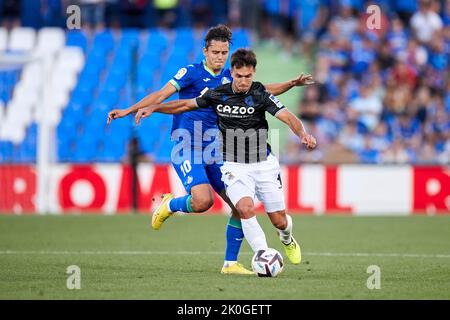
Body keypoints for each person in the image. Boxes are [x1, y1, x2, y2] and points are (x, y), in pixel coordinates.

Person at [107, 25, 314, 274]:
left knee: (239, 205)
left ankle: (230, 264)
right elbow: (164, 95)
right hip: (187, 145)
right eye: (215, 51)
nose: (219, 56)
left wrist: (291, 83)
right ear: (205, 51)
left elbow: (264, 90)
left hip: (217, 148)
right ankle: (170, 206)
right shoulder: (191, 72)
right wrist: (131, 110)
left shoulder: (232, 77)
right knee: (203, 201)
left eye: (224, 52)